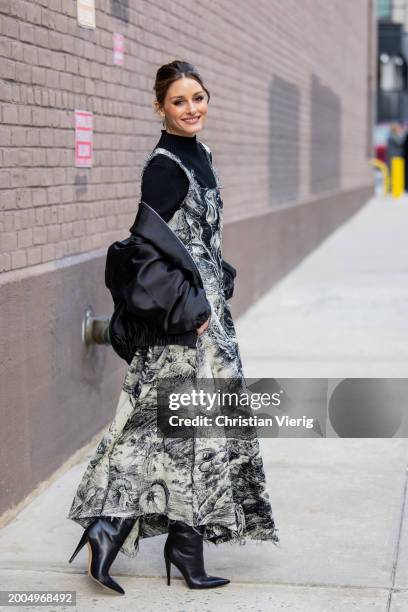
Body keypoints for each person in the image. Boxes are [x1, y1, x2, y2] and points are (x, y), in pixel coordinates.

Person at [66, 60, 280, 595]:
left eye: (199, 98)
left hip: (209, 320)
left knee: (196, 438)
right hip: (184, 326)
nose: (192, 110)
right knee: (162, 431)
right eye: (180, 101)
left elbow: (194, 236)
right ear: (159, 106)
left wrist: (217, 276)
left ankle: (183, 548)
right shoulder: (163, 166)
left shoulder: (201, 154)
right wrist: (192, 307)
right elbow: (142, 250)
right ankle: (110, 528)